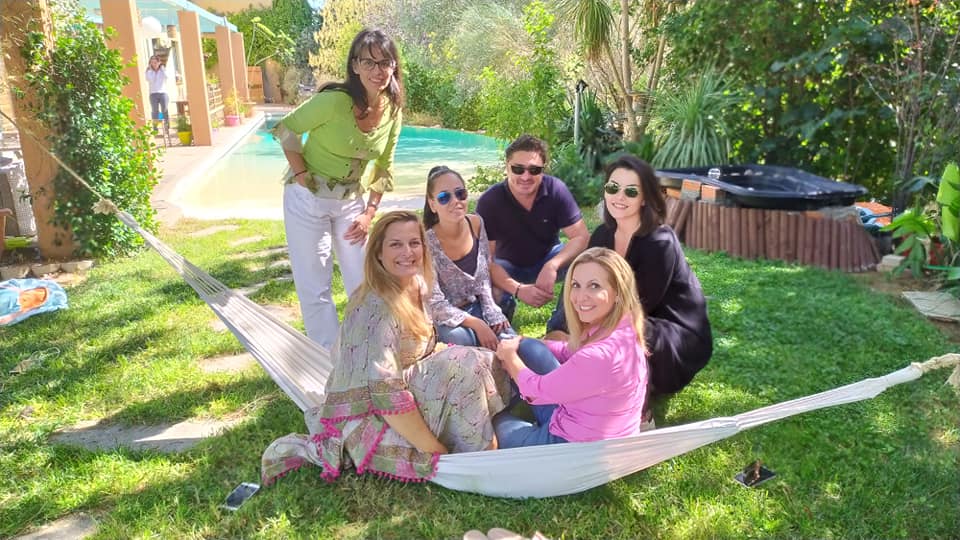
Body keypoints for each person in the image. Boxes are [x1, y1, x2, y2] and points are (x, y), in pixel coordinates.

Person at [261, 211, 512, 484]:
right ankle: (480, 457)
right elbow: (385, 392)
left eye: (414, 243)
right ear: (378, 253)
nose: (408, 252)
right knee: (465, 366)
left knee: (485, 359)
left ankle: (486, 437)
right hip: (372, 413)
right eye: (395, 244)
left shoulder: (416, 283)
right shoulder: (375, 308)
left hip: (406, 384)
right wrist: (434, 451)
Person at [273, 28, 404, 349]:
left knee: (364, 280)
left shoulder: (392, 110)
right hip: (307, 199)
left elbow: (384, 165)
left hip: (351, 202)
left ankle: (367, 351)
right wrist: (301, 173)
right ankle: (328, 357)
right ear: (355, 66)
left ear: (394, 66)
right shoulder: (333, 102)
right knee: (315, 285)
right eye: (369, 62)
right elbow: (287, 129)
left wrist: (369, 213)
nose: (378, 70)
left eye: (385, 62)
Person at [551, 154, 712, 395]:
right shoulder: (602, 235)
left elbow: (637, 309)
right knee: (575, 312)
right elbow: (581, 284)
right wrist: (564, 330)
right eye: (613, 188)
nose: (619, 197)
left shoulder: (660, 243)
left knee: (612, 326)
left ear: (645, 198)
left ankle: (632, 391)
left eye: (631, 192)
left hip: (668, 334)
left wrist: (580, 337)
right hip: (622, 316)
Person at [492, 247, 649, 448]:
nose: (580, 297)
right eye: (576, 285)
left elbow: (535, 390)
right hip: (585, 420)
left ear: (618, 292)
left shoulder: (598, 356)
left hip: (571, 446)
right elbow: (571, 350)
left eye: (594, 286)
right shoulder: (623, 327)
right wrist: (529, 342)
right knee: (529, 347)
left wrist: (510, 357)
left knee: (494, 423)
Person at [476, 134, 589, 322]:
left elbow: (581, 237)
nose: (526, 176)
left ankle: (560, 327)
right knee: (488, 280)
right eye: (518, 169)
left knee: (588, 261)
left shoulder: (555, 190)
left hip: (548, 257)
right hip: (507, 266)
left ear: (543, 170)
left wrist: (552, 265)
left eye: (534, 170)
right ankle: (501, 328)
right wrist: (518, 289)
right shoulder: (490, 201)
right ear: (507, 167)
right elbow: (486, 261)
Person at [422, 165, 513, 349]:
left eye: (460, 193)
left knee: (512, 344)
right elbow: (436, 304)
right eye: (444, 197)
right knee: (463, 340)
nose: (455, 201)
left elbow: (484, 273)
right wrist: (477, 324)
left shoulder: (476, 223)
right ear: (432, 204)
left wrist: (491, 309)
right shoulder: (425, 243)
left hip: (477, 304)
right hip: (448, 316)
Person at [144, 55, 172, 134]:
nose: (154, 64)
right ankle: (155, 128)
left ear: (159, 62)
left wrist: (162, 68)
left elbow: (167, 76)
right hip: (153, 94)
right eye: (152, 62)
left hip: (163, 93)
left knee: (164, 110)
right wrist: (151, 70)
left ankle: (166, 127)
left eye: (155, 62)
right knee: (155, 111)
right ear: (150, 63)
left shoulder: (163, 70)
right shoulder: (148, 71)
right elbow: (151, 80)